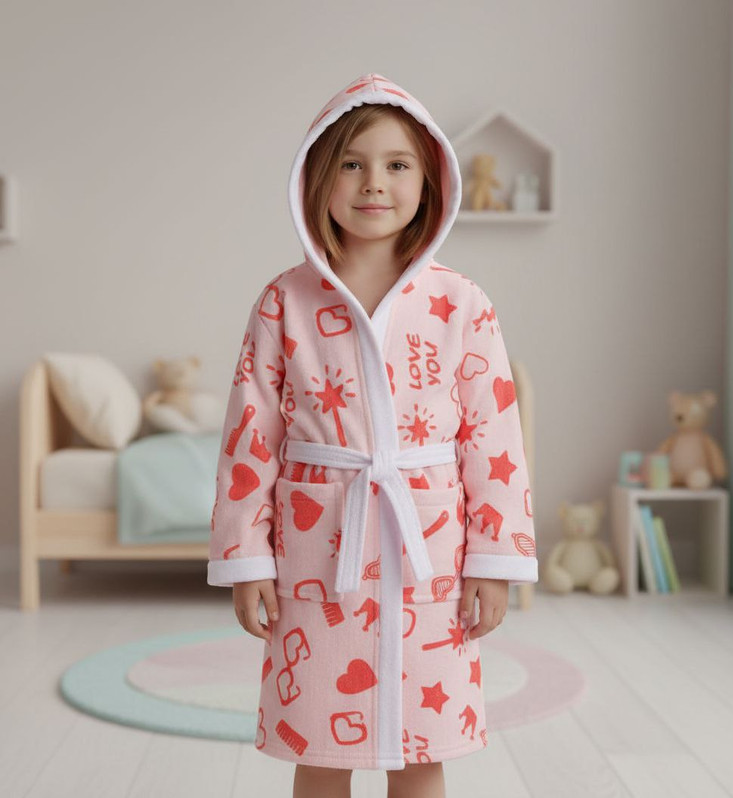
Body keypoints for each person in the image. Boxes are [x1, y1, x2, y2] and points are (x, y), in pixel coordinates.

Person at [207, 72, 538, 798]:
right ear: (317, 178)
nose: (374, 183)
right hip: (318, 549)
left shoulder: (460, 302)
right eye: (352, 163)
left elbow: (494, 442)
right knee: (320, 744)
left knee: (423, 745)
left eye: (397, 164)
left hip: (431, 554)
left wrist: (493, 561)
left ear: (430, 180)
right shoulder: (284, 301)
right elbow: (249, 437)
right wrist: (247, 559)